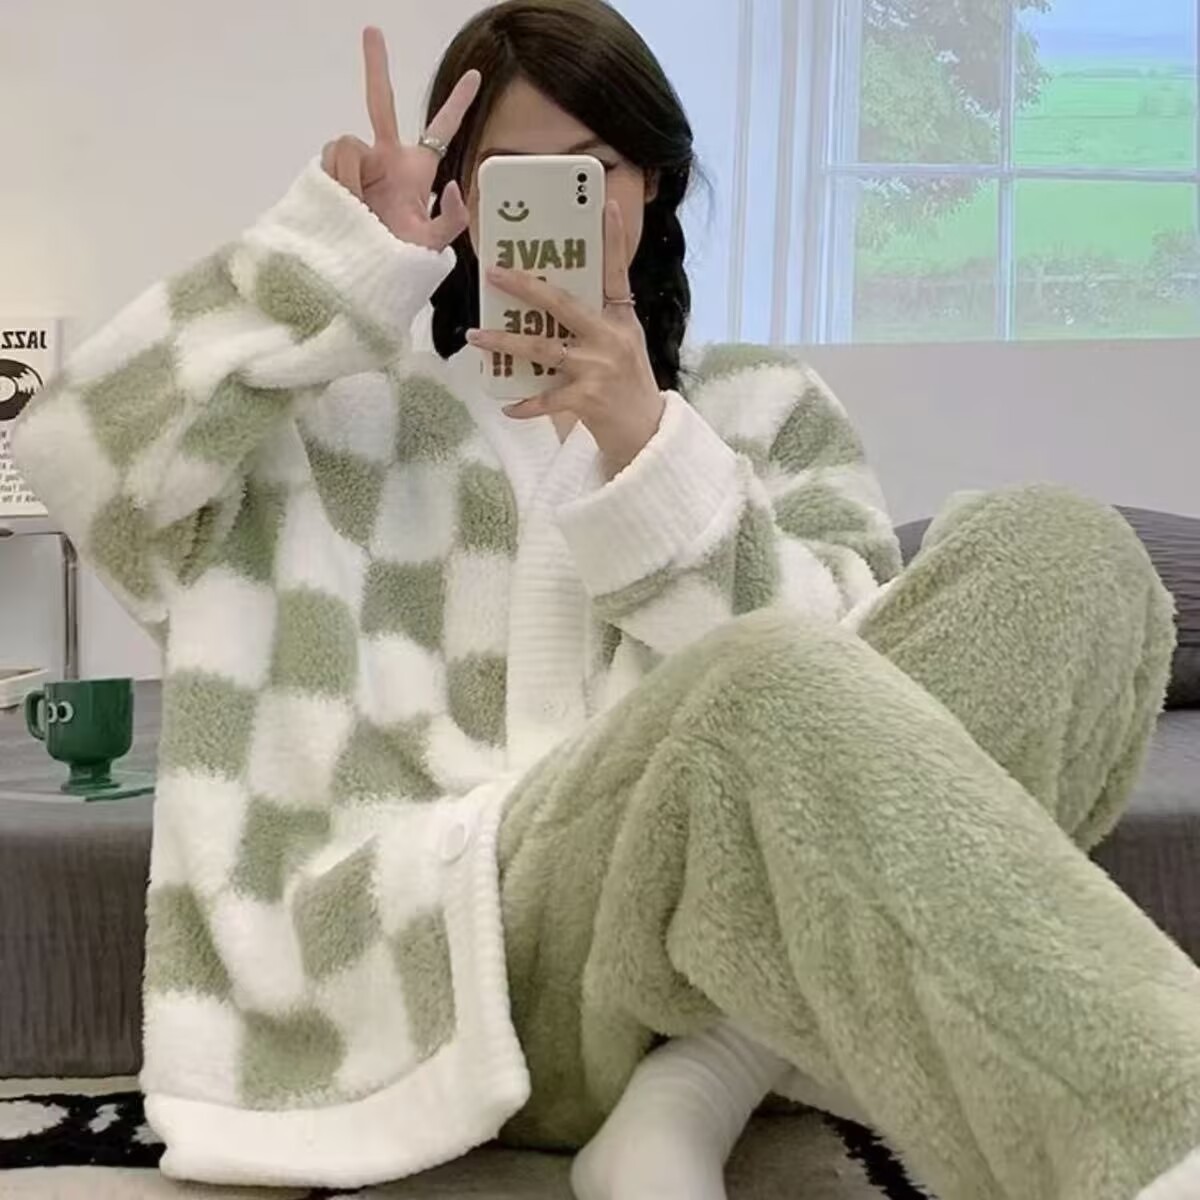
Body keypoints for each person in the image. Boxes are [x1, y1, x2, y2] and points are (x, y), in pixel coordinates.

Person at [12, 2, 1200, 1198]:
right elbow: (74, 452)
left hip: (717, 952)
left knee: (1066, 554)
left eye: (590, 176)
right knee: (757, 680)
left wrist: (649, 449)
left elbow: (872, 722)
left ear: (653, 181)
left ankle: (698, 1083)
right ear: (459, 198)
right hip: (464, 953)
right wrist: (330, 263)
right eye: (510, 183)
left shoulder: (760, 405)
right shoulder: (337, 417)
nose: (553, 218)